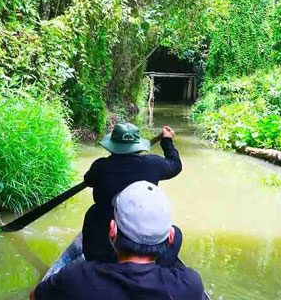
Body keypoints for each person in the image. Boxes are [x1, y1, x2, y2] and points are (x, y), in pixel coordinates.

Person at [31, 181, 206, 300]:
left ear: (112, 231)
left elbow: (35, 297)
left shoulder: (75, 276)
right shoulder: (189, 284)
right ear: (170, 237)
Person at [81, 122, 182, 264]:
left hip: (103, 225)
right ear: (138, 147)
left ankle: (93, 261)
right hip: (142, 226)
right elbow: (175, 165)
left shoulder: (100, 166)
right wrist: (167, 141)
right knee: (176, 234)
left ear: (112, 146)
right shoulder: (153, 164)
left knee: (92, 213)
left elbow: (88, 180)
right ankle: (159, 268)